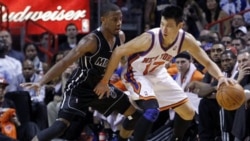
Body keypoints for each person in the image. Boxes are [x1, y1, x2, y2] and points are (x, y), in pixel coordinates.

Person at [94, 4, 235, 141]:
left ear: (180, 26)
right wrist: (104, 81)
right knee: (151, 111)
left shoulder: (186, 40)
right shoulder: (149, 38)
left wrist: (221, 77)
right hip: (136, 73)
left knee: (188, 113)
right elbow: (118, 51)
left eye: (169, 26)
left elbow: (208, 62)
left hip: (157, 72)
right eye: (162, 24)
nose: (164, 29)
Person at [20, 3, 141, 141]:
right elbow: (64, 62)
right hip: (79, 87)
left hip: (100, 87)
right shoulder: (90, 41)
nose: (119, 23)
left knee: (134, 115)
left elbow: (123, 60)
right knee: (60, 126)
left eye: (121, 19)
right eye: (114, 19)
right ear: (103, 19)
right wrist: (41, 82)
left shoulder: (120, 36)